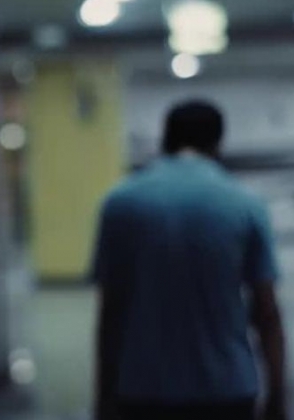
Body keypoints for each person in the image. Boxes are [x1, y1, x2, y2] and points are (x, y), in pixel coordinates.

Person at [92, 101, 286, 420]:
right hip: (227, 387)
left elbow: (111, 312)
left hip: (143, 388)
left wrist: (103, 396)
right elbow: (267, 312)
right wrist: (277, 394)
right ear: (218, 143)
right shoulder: (246, 204)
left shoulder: (120, 203)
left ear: (166, 139)